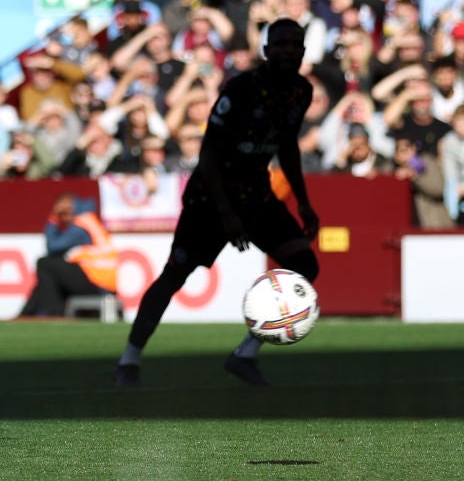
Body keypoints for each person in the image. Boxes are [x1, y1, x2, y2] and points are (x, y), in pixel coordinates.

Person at [114, 19, 320, 388]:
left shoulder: (301, 91)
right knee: (174, 275)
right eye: (282, 43)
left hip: (256, 195)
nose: (290, 50)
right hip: (211, 197)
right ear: (267, 50)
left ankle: (245, 354)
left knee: (304, 263)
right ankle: (129, 359)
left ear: (304, 52)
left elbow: (287, 147)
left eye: (296, 44)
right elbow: (209, 154)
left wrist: (303, 203)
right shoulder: (241, 88)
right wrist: (226, 214)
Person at [18, 193, 117, 317]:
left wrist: (53, 219)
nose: (62, 219)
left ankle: (51, 313)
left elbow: (53, 246)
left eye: (62, 214)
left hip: (98, 281)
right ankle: (27, 314)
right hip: (101, 280)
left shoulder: (80, 225)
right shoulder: (88, 219)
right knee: (49, 275)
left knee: (44, 264)